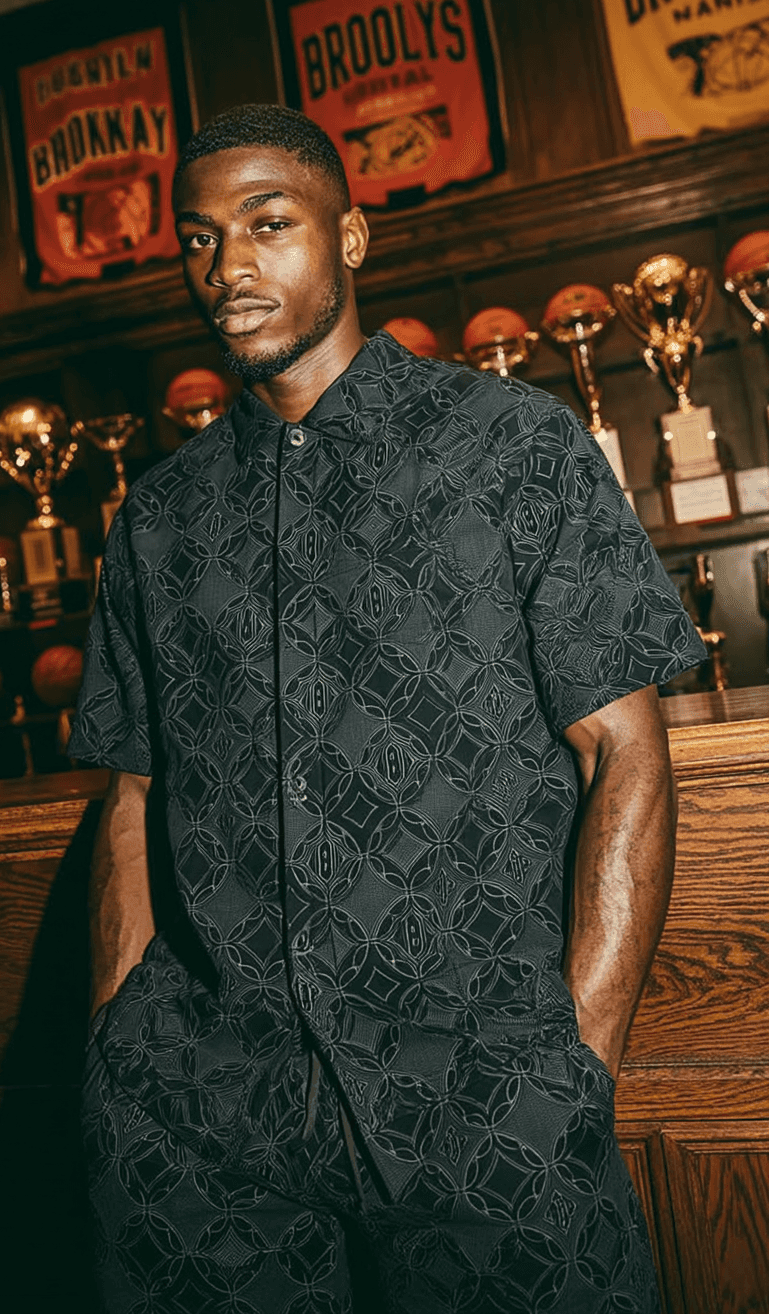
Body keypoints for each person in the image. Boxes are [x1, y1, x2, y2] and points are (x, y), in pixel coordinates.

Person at [70, 103, 706, 1314]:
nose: (230, 265)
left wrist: (577, 1064)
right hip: (209, 1120)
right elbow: (134, 795)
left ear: (351, 236)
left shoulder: (514, 447)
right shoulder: (158, 519)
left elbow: (625, 752)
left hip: (486, 1106)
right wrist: (117, 1049)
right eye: (201, 238)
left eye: (270, 223)